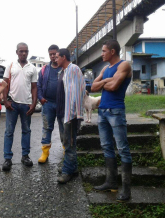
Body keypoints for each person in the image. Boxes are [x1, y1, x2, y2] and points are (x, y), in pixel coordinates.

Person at [91, 39, 132, 202]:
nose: (101, 54)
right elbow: (93, 87)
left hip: (115, 111)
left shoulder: (124, 65)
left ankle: (126, 189)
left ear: (112, 52)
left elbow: (114, 87)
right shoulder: (105, 68)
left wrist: (104, 83)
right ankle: (111, 182)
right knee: (106, 146)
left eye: (103, 51)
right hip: (102, 111)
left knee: (122, 148)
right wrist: (107, 81)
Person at [2, 42, 38, 171]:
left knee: (26, 130)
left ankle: (25, 156)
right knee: (9, 131)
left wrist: (34, 104)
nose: (24, 53)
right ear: (16, 52)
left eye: (26, 51)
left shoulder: (32, 68)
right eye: (21, 51)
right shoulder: (11, 66)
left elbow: (34, 87)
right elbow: (4, 84)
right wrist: (5, 101)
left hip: (26, 105)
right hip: (13, 104)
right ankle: (7, 159)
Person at [55, 48, 86, 184]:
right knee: (66, 141)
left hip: (70, 114)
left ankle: (67, 171)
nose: (55, 59)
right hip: (62, 112)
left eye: (57, 57)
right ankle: (72, 168)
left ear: (63, 57)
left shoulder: (73, 69)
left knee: (69, 142)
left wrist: (73, 114)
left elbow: (75, 92)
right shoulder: (63, 72)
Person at [37, 44, 64, 163]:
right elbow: (38, 85)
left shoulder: (65, 68)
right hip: (47, 103)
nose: (53, 56)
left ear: (58, 54)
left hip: (62, 104)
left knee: (64, 128)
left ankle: (66, 150)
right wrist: (40, 98)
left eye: (55, 54)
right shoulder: (44, 69)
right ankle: (45, 152)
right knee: (47, 128)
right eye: (51, 54)